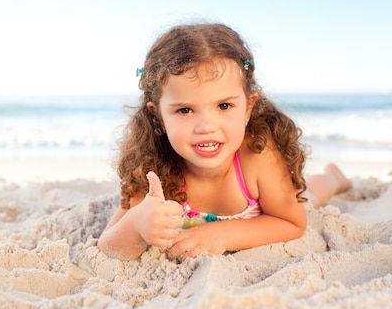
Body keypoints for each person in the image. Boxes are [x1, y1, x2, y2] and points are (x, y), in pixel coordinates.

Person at [98, 22, 352, 262]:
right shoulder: (153, 166)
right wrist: (137, 224)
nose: (206, 126)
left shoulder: (257, 154)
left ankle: (335, 178)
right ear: (158, 116)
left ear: (248, 108)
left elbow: (292, 223)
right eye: (185, 110)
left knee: (311, 194)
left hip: (268, 207)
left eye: (224, 106)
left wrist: (222, 234)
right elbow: (110, 247)